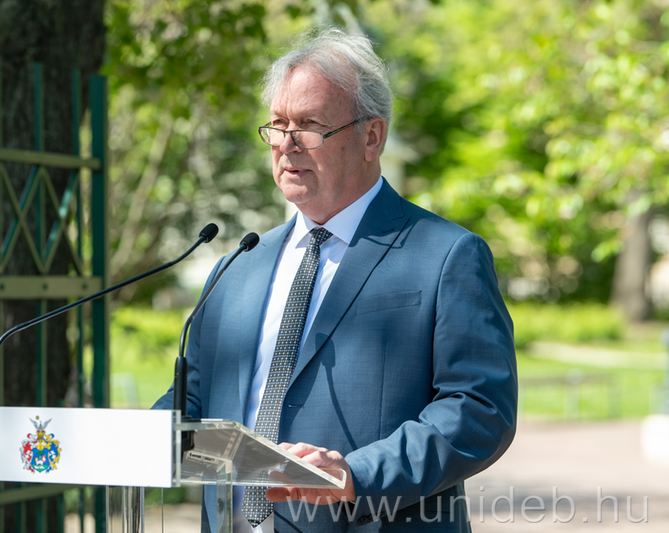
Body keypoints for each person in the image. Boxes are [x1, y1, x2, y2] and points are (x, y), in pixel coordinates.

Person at [154, 28, 517, 533]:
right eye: (278, 125)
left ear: (372, 137)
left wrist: (355, 475)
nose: (286, 144)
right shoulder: (237, 266)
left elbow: (479, 409)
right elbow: (191, 406)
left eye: (309, 125)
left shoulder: (445, 255)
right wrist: (133, 439)